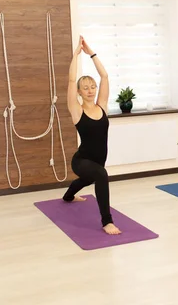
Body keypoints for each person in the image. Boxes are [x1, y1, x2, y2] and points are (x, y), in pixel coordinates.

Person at [63, 36, 122, 234]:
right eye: (85, 88)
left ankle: (68, 196)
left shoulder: (102, 106)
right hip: (81, 161)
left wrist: (92, 54)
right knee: (100, 175)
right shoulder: (77, 110)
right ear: (79, 92)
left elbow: (104, 76)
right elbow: (71, 79)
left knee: (88, 179)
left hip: (97, 162)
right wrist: (75, 56)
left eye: (92, 87)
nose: (90, 90)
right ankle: (107, 221)